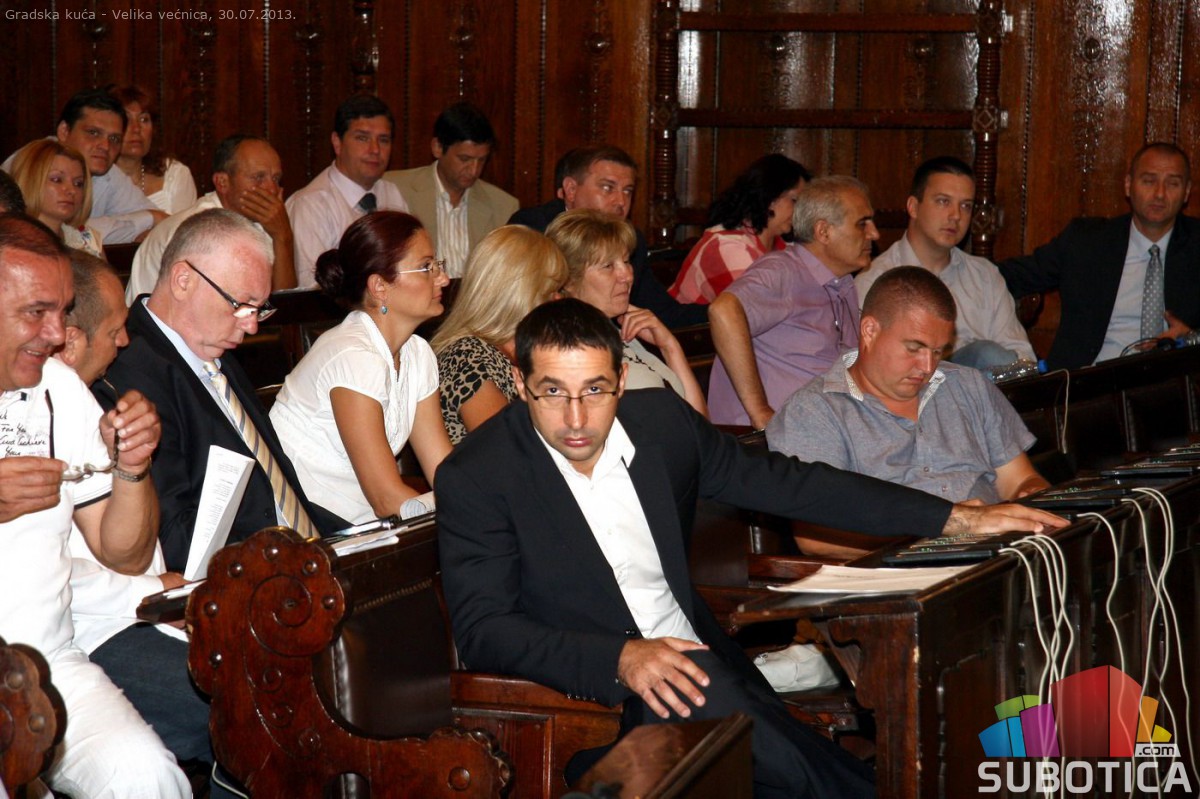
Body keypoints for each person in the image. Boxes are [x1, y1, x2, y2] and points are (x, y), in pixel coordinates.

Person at [435, 298, 1066, 797]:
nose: (575, 418)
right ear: (520, 382)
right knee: (785, 753)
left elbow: (790, 483)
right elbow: (485, 629)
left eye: (594, 390)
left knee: (772, 741)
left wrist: (954, 517)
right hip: (597, 704)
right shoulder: (479, 476)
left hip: (715, 674)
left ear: (622, 379)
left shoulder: (661, 427)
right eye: (552, 392)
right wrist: (621, 657)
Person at [0, 213, 188, 797]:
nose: (58, 334)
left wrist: (133, 466)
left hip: (48, 661)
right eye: (36, 312)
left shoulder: (60, 387)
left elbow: (122, 553)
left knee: (149, 777)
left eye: (61, 311)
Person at [56, 250, 235, 795]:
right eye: (115, 330)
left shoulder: (79, 396)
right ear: (70, 339)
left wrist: (134, 466)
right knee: (239, 711)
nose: (126, 340)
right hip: (88, 629)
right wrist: (153, 593)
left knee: (274, 687)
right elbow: (46, 572)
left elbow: (126, 550)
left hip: (136, 604)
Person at [100, 208, 346, 571]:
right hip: (243, 575)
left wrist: (354, 538)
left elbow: (277, 493)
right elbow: (174, 540)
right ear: (183, 280)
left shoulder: (215, 349)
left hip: (299, 553)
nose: (251, 327)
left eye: (259, 309)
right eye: (241, 305)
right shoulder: (129, 372)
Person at [767, 266, 1050, 558]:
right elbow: (817, 537)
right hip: (898, 571)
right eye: (914, 348)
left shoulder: (968, 385)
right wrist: (950, 526)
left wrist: (1030, 495)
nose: (927, 366)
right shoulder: (815, 411)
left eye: (938, 351)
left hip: (996, 559)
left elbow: (1019, 479)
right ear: (870, 330)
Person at [270, 211, 453, 524]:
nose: (443, 278)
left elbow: (444, 472)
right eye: (427, 267)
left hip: (358, 525)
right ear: (380, 286)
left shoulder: (418, 353)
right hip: (299, 528)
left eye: (437, 265)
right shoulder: (353, 355)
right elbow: (386, 500)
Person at [1000, 142, 1200, 369]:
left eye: (1172, 184)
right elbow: (1012, 275)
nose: (1160, 194)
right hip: (1090, 378)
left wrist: (1193, 338)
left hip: (1172, 379)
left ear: (1186, 192)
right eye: (1148, 181)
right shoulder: (1086, 241)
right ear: (1128, 185)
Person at [708, 175, 876, 428]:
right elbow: (723, 311)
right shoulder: (783, 270)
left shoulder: (843, 283)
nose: (874, 233)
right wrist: (760, 412)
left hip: (825, 427)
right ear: (823, 231)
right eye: (862, 224)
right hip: (765, 439)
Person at [855, 156, 1034, 370]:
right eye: (943, 201)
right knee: (985, 355)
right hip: (910, 385)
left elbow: (1023, 360)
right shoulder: (875, 280)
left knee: (990, 356)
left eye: (966, 206)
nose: (955, 215)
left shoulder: (985, 276)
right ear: (913, 207)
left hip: (984, 388)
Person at [510, 145, 707, 329]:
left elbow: (664, 312)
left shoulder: (630, 239)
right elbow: (519, 312)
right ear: (571, 190)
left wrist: (718, 310)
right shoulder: (535, 229)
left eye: (627, 191)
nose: (621, 201)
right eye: (607, 188)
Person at [547, 208, 708, 417]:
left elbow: (700, 423)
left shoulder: (623, 333)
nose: (627, 276)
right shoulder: (567, 349)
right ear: (569, 280)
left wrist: (670, 347)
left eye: (626, 261)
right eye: (608, 266)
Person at [431, 224, 567, 444]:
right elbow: (506, 449)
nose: (560, 300)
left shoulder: (528, 353)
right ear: (518, 296)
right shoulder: (467, 356)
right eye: (552, 292)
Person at [127, 134, 297, 300]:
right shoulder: (199, 230)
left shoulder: (263, 223)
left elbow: (285, 306)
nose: (272, 189)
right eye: (258, 178)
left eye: (276, 179)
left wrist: (282, 236)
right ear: (222, 182)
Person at [3, 88, 167, 243]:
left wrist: (147, 227)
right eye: (93, 133)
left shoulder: (107, 172)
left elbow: (163, 223)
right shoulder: (32, 161)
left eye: (114, 139)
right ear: (64, 131)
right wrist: (147, 218)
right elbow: (58, 229)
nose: (105, 146)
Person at [384, 101, 519, 278]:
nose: (474, 170)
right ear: (437, 148)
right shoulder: (395, 189)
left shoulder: (504, 206)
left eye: (482, 160)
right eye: (465, 159)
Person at [287, 95, 410, 288]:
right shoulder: (310, 205)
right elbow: (314, 290)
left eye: (384, 140)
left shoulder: (391, 193)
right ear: (337, 143)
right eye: (362, 138)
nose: (375, 149)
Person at [669, 154, 812, 304]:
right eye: (795, 200)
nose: (801, 210)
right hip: (686, 320)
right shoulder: (727, 246)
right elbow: (764, 309)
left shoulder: (783, 245)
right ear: (770, 197)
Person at [110, 85, 198, 214]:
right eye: (127, 120)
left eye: (144, 119)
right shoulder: (94, 179)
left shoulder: (175, 174)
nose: (136, 129)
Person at [9, 139, 103, 255]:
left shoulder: (88, 241)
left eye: (78, 183)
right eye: (57, 180)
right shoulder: (11, 242)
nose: (71, 190)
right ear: (29, 181)